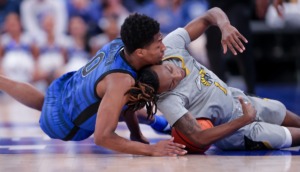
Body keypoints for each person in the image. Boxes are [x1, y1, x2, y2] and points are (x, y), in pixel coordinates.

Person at [0, 13, 187, 156]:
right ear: (140, 52)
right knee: (132, 105)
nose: (163, 47)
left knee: (43, 102)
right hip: (66, 125)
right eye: (158, 44)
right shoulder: (121, 81)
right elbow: (102, 137)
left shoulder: (120, 43)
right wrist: (152, 149)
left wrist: (135, 133)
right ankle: (163, 125)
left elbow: (127, 99)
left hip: (68, 88)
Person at [127, 9, 300, 151]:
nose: (178, 75)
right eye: (173, 83)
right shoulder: (167, 101)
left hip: (239, 100)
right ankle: (163, 125)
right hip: (237, 131)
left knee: (282, 111)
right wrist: (244, 120)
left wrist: (224, 26)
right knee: (291, 136)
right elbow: (199, 138)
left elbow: (211, 14)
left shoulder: (169, 47)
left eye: (170, 69)